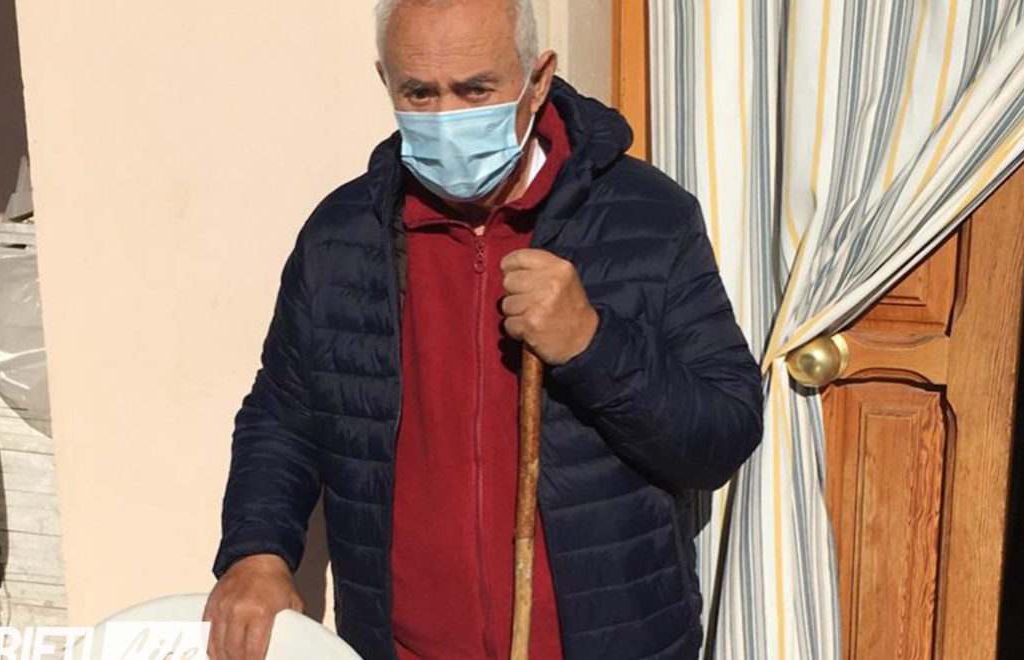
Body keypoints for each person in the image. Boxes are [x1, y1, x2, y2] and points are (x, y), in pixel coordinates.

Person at [203, 0, 763, 658]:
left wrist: (592, 345)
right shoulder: (342, 235)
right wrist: (257, 553)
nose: (447, 118)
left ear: (539, 79)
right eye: (420, 93)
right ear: (386, 81)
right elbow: (284, 415)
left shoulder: (646, 216)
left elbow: (722, 434)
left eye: (475, 90)